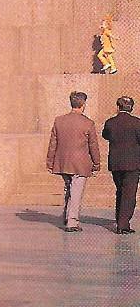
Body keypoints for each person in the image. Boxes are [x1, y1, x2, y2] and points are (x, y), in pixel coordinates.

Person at [46, 91, 101, 232]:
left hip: (63, 161)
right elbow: (93, 145)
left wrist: (50, 162)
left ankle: (67, 215)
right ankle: (72, 221)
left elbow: (53, 143)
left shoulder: (59, 120)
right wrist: (96, 163)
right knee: (76, 192)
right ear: (83, 104)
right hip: (80, 163)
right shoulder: (88, 123)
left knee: (69, 189)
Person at [101, 96, 140, 234]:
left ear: (118, 107)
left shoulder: (110, 122)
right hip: (133, 164)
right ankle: (123, 224)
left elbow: (105, 135)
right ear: (131, 108)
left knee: (120, 191)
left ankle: (120, 219)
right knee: (129, 194)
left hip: (116, 163)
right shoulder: (137, 123)